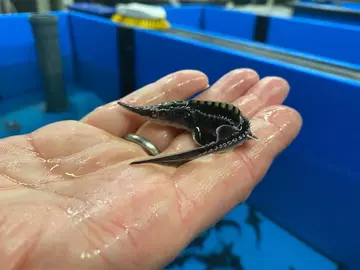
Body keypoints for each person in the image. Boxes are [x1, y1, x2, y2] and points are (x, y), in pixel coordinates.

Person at [1, 69, 302, 269]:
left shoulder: (192, 120)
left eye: (158, 115)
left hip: (237, 128)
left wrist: (214, 136)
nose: (154, 117)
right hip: (230, 128)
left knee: (220, 135)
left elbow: (200, 130)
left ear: (175, 119)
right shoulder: (184, 115)